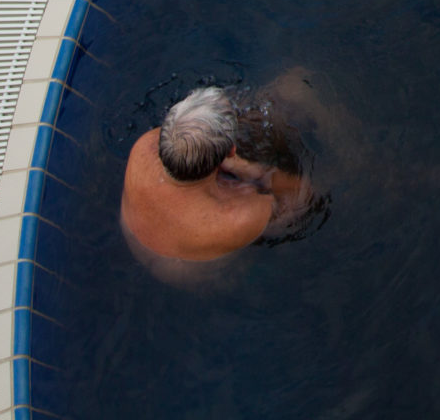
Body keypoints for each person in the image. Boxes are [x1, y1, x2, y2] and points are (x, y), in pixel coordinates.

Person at [120, 79, 320, 279]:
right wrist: (252, 169)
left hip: (142, 254)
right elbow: (305, 198)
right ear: (231, 152)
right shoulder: (236, 217)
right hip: (202, 279)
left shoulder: (143, 148)